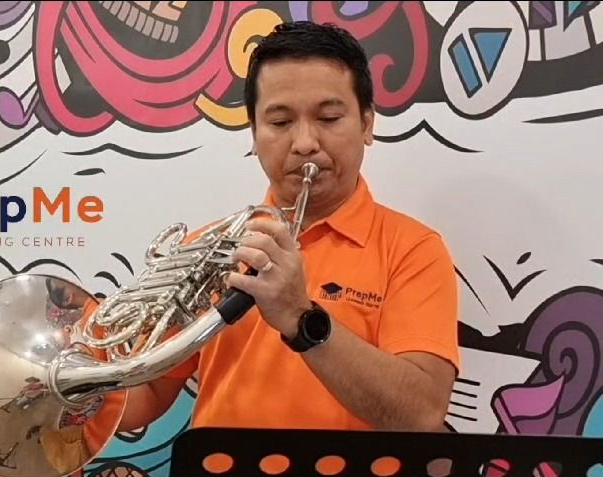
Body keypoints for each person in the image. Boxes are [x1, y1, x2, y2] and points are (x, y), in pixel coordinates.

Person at [113, 20, 461, 436]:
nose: (305, 143)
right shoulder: (209, 250)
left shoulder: (413, 249)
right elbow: (146, 397)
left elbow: (421, 414)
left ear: (367, 124)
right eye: (279, 123)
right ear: (254, 134)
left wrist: (300, 316)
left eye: (329, 117)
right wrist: (74, 384)